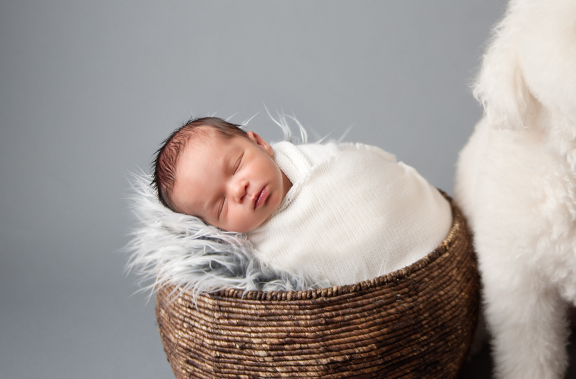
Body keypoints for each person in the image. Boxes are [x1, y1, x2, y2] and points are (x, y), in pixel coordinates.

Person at [151, 117, 452, 287]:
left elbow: (367, 170)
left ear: (260, 143)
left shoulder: (321, 161)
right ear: (214, 228)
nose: (239, 190)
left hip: (436, 245)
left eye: (237, 166)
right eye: (220, 205)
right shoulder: (257, 258)